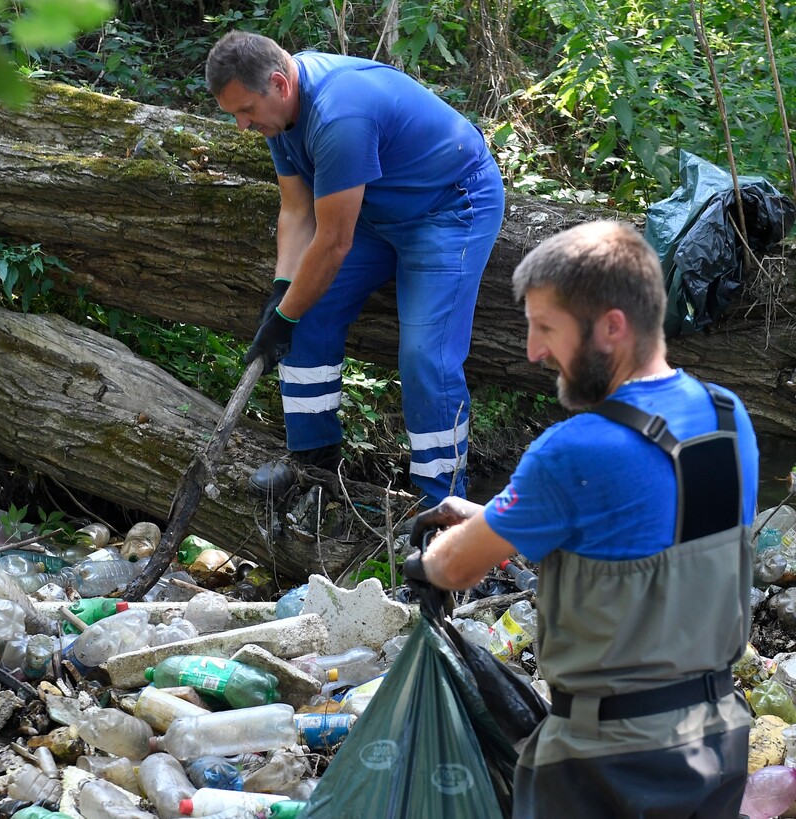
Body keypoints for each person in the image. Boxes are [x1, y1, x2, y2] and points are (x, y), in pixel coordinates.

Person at [405, 220, 757, 817]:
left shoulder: (576, 449)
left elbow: (457, 567)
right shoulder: (727, 417)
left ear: (612, 327)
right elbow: (642, 541)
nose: (533, 351)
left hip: (608, 763)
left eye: (547, 328)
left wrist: (428, 560)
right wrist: (494, 518)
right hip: (715, 739)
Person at [205, 31, 505, 507]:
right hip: (375, 211)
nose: (242, 125)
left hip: (449, 208)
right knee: (305, 314)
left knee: (426, 356)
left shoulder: (339, 112)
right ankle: (314, 470)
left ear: (279, 84)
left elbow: (333, 242)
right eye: (235, 115)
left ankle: (443, 505)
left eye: (246, 111)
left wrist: (284, 315)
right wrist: (284, 292)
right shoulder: (281, 115)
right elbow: (297, 210)